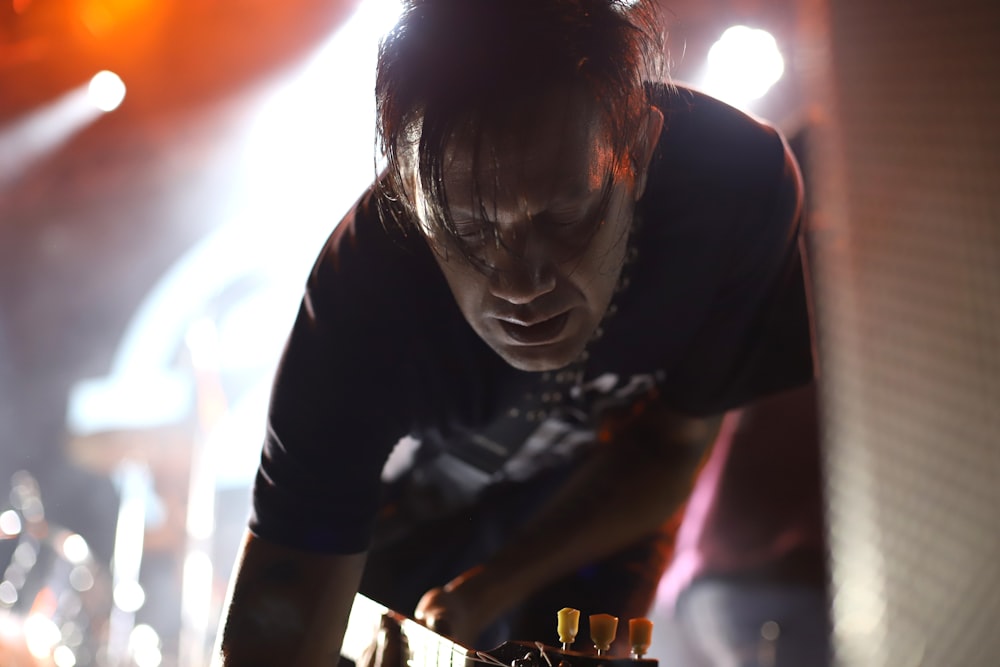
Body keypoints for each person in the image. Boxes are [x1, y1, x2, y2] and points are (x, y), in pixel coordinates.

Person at [213, 0, 814, 665]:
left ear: (637, 154)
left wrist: (493, 585)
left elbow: (670, 449)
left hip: (597, 524)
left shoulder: (736, 190)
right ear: (410, 197)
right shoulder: (361, 295)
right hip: (397, 541)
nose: (520, 284)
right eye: (467, 231)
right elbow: (283, 598)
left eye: (564, 216)